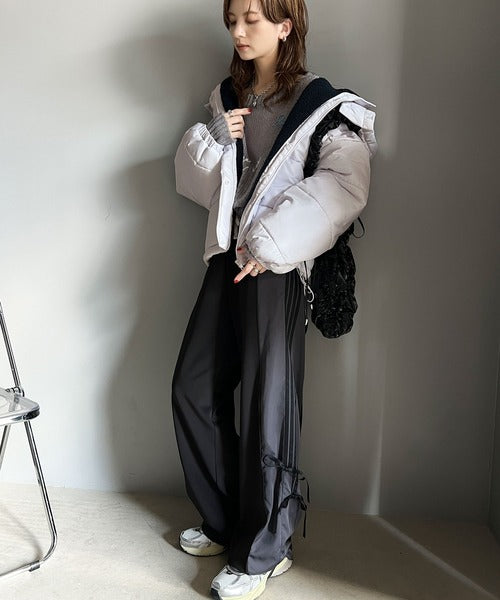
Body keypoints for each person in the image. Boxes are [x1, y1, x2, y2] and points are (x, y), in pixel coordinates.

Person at [171, 0, 377, 598]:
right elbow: (198, 186)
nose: (238, 30)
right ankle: (226, 520)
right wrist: (212, 140)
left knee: (269, 407)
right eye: (232, 19)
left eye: (253, 19)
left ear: (286, 26)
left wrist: (274, 241)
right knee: (193, 387)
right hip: (227, 260)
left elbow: (345, 185)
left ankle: (265, 550)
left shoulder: (321, 103)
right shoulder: (227, 97)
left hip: (278, 269)